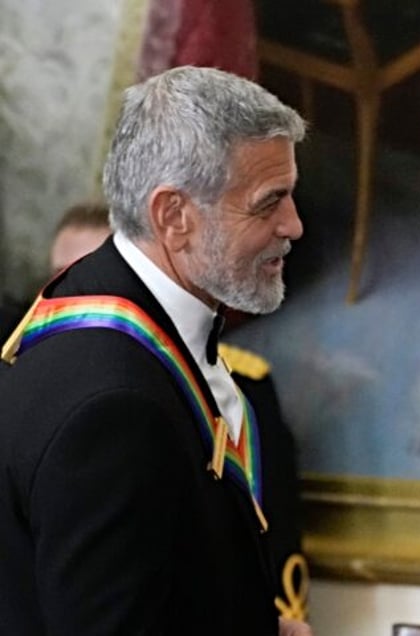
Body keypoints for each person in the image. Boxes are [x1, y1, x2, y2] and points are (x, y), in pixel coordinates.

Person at [0, 66, 312, 635]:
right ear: (174, 216)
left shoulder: (114, 323)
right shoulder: (114, 405)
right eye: (269, 203)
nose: (293, 225)